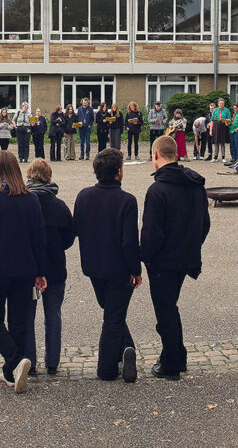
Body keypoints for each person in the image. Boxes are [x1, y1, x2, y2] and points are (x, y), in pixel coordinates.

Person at [0, 150, 45, 393]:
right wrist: (39, 269)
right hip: (24, 269)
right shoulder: (31, 199)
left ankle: (13, 362)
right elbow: (39, 239)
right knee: (17, 321)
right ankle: (13, 367)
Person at [139, 134, 210, 381]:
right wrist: (191, 245)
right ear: (176, 155)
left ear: (155, 155)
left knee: (165, 312)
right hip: (185, 257)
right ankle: (177, 355)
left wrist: (146, 257)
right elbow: (204, 224)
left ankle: (172, 363)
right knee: (170, 308)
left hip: (163, 261)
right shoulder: (195, 185)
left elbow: (151, 232)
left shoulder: (158, 189)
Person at [74, 147, 141, 382]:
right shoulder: (127, 200)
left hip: (93, 265)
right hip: (118, 268)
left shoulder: (83, 196)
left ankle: (126, 349)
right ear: (119, 172)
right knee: (113, 317)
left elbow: (76, 228)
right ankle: (107, 368)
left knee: (112, 311)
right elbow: (129, 240)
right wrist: (136, 269)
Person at [23, 159, 75, 376]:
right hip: (54, 266)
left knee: (27, 316)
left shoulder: (23, 203)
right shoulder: (59, 206)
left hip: (28, 268)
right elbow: (69, 238)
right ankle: (52, 361)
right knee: (52, 314)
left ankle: (29, 361)